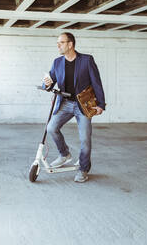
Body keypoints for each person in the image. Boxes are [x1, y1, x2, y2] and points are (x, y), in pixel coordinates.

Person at [43, 32, 106, 183]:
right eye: (58, 43)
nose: (58, 45)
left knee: (85, 139)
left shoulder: (86, 60)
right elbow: (51, 81)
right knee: (51, 128)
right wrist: (46, 83)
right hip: (65, 103)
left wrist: (101, 104)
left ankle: (83, 169)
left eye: (61, 42)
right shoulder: (57, 62)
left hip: (82, 105)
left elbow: (97, 82)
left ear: (70, 44)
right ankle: (64, 154)